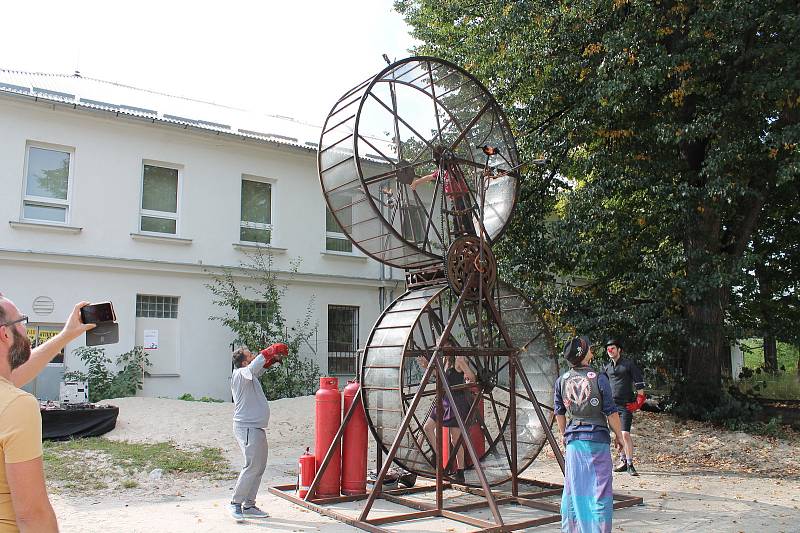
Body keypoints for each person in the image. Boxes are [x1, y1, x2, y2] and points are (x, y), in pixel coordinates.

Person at [1, 295, 94, 532]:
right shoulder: (16, 405)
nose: (26, 328)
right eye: (21, 321)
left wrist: (66, 335)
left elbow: (14, 377)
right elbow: (32, 515)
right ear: (4, 334)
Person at [554, 336, 624, 533]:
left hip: (574, 442)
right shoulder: (599, 378)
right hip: (597, 442)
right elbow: (611, 412)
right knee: (599, 491)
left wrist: (563, 434)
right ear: (584, 354)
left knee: (574, 490)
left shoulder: (562, 381)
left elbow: (559, 412)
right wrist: (619, 436)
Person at [228, 343, 288, 522]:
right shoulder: (239, 374)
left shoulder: (249, 375)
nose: (253, 356)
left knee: (259, 467)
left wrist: (272, 360)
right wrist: (269, 351)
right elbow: (255, 367)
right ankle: (235, 503)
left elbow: (258, 369)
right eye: (250, 355)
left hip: (255, 427)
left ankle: (249, 505)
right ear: (244, 362)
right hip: (246, 427)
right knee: (251, 466)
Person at [416, 339, 476, 484]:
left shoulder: (458, 360)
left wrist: (468, 378)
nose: (441, 348)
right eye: (439, 345)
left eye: (443, 345)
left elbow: (472, 377)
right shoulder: (444, 359)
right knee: (428, 428)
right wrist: (427, 367)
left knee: (455, 439)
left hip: (456, 401)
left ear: (450, 345)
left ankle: (460, 471)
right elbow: (441, 377)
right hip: (444, 400)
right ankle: (439, 458)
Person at [602, 338, 646, 476]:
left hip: (626, 405)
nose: (610, 351)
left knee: (625, 434)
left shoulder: (628, 365)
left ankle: (630, 463)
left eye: (613, 348)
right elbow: (601, 385)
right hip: (611, 407)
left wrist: (638, 402)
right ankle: (623, 461)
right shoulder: (606, 367)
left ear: (619, 349)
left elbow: (639, 383)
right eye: (608, 349)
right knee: (617, 435)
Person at [410, 146, 476, 236]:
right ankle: (459, 242)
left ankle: (472, 239)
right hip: (454, 199)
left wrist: (449, 160)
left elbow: (456, 170)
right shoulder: (441, 172)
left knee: (466, 220)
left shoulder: (453, 168)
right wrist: (416, 182)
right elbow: (429, 177)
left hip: (463, 197)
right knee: (456, 221)